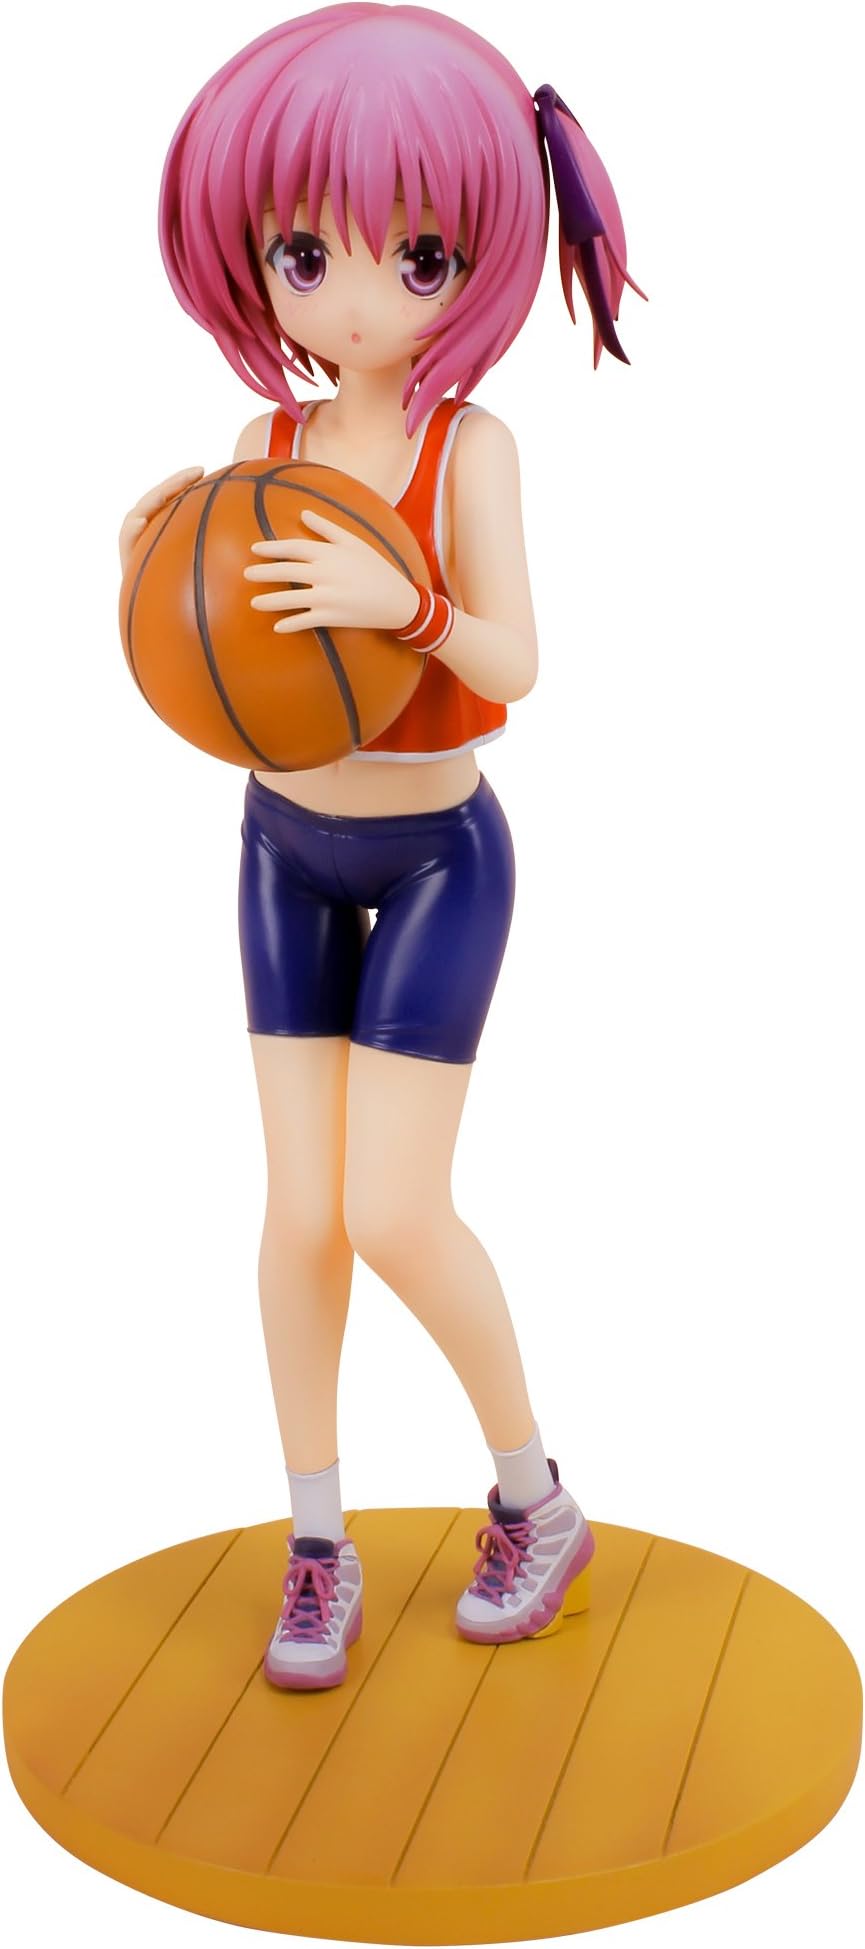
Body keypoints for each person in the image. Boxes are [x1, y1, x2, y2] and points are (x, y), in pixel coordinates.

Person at [118, 3, 645, 1690]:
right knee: (297, 1216)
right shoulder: (260, 455)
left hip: (435, 859)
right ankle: (317, 1543)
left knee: (396, 1210)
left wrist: (401, 600)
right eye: (303, 252)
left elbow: (516, 662)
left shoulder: (468, 449)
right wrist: (154, 568)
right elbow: (223, 660)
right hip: (282, 848)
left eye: (413, 254)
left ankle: (535, 1498)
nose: (352, 296)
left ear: (474, 257)